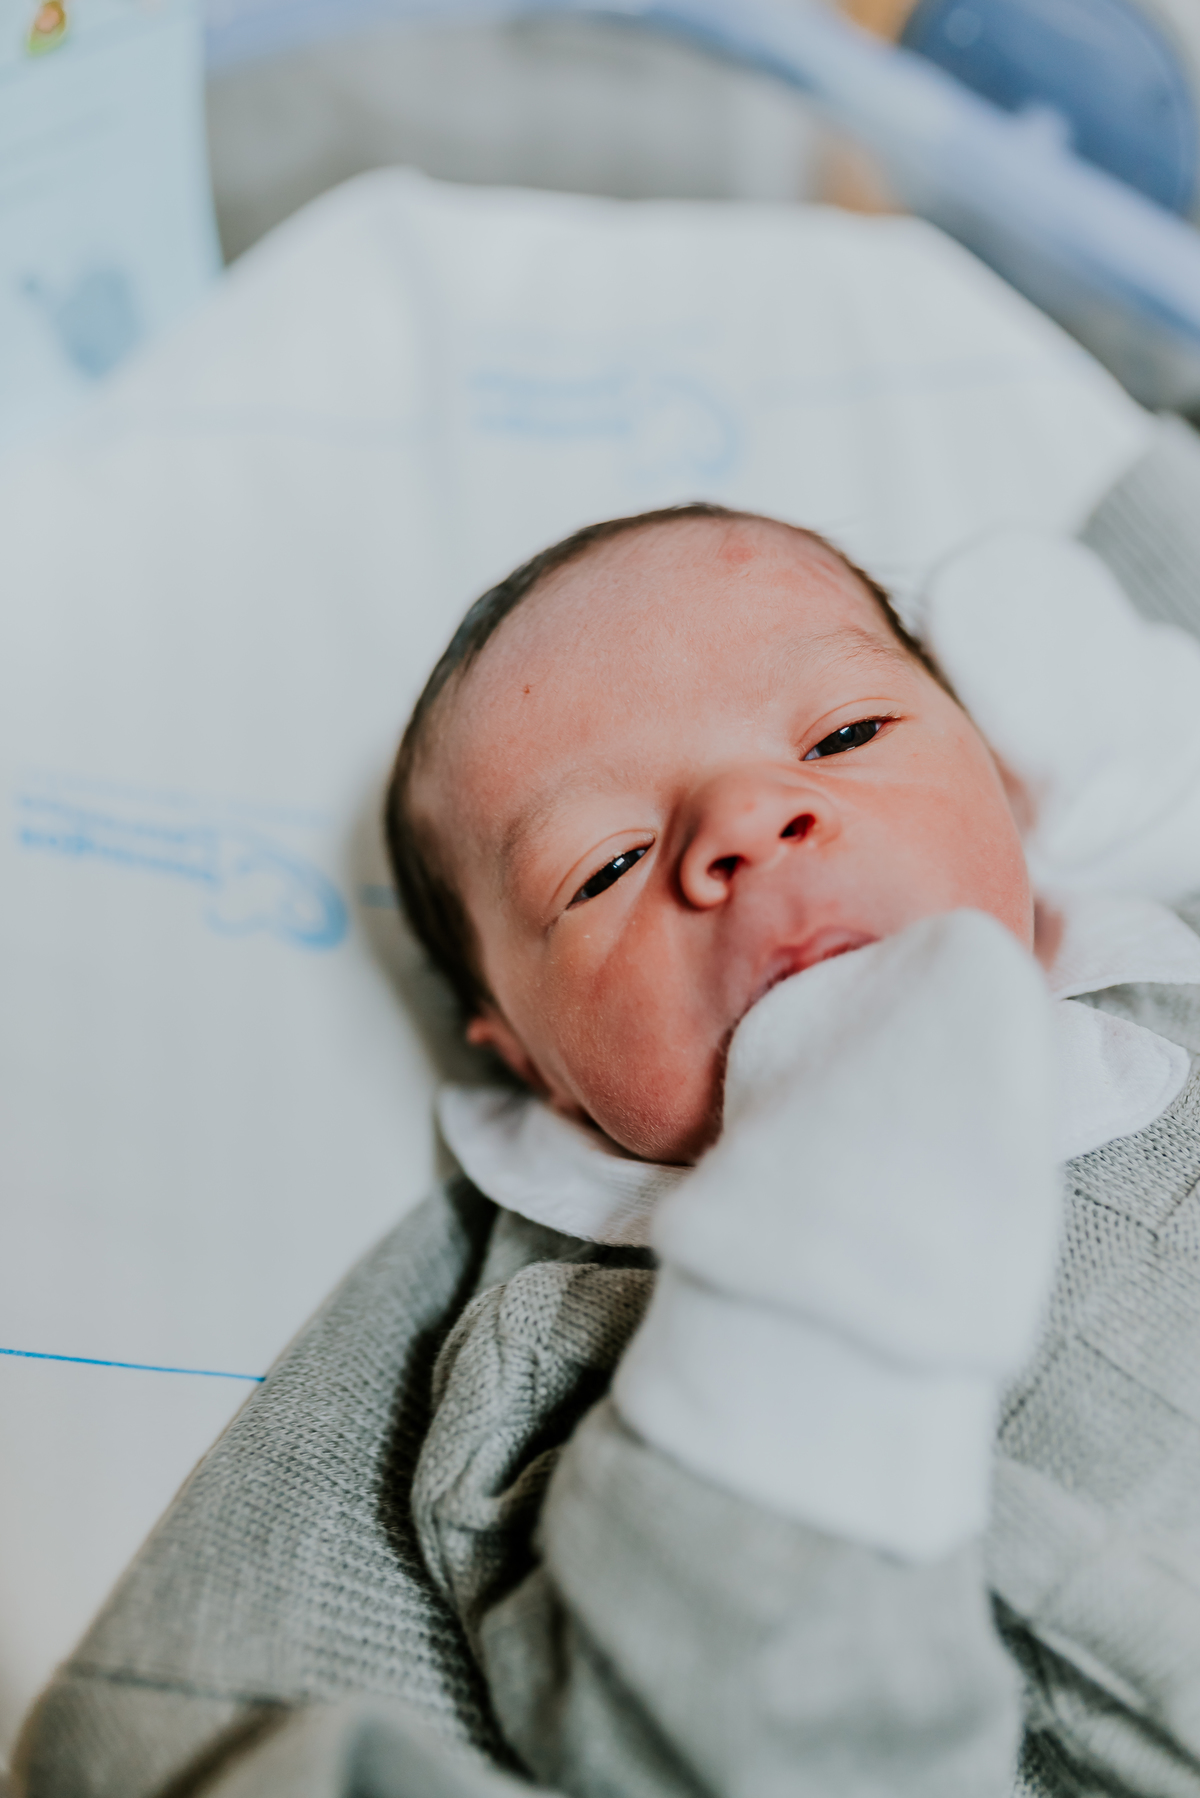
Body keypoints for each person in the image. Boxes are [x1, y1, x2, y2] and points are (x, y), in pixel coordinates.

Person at [19, 445, 1200, 1798]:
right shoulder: (563, 1352)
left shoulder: (1169, 960)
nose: (747, 818)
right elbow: (698, 1732)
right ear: (529, 1062)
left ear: (1004, 774)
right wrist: (773, 1368)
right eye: (608, 864)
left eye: (842, 735)